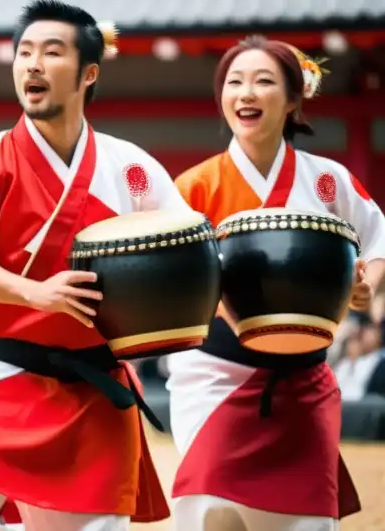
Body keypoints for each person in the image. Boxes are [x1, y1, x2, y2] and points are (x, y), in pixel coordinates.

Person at [0, 0, 191, 530]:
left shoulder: (132, 168)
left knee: (97, 526)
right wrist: (35, 293)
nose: (31, 64)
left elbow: (186, 249)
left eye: (51, 52)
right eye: (24, 52)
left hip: (99, 385)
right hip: (8, 372)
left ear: (88, 73)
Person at [165, 36, 385, 530]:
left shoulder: (327, 180)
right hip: (216, 376)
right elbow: (180, 276)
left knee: (304, 521)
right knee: (208, 508)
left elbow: (377, 237)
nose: (246, 92)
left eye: (264, 81)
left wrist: (365, 283)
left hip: (304, 376)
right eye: (234, 82)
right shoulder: (195, 186)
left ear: (292, 100)